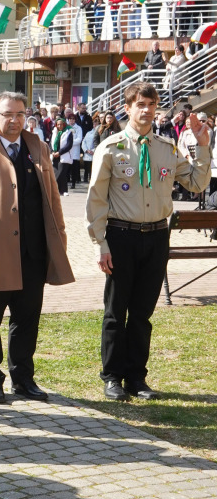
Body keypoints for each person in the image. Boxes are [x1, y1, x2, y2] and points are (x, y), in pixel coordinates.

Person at [86, 82, 210, 401]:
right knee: (116, 311)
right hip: (121, 236)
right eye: (140, 104)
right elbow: (96, 199)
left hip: (155, 236)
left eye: (151, 105)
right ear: (127, 108)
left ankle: (136, 378)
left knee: (142, 313)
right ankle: (112, 376)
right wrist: (100, 243)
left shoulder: (166, 148)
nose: (146, 110)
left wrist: (203, 146)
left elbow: (197, 182)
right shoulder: (111, 147)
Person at [0, 91, 74, 404]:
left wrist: (59, 240)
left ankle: (23, 379)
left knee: (27, 321)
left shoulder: (38, 146)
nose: (15, 120)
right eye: (8, 114)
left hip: (34, 253)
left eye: (20, 114)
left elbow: (52, 199)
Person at [50, 116, 74, 196]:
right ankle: (59, 191)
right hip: (55, 156)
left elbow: (69, 145)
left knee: (61, 173)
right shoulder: (54, 132)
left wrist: (59, 152)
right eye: (58, 125)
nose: (59, 126)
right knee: (56, 174)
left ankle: (64, 190)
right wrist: (52, 151)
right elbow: (51, 144)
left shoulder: (68, 132)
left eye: (61, 124)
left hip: (63, 155)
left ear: (64, 124)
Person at [65, 111, 83, 189]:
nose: (71, 120)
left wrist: (71, 143)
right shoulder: (66, 127)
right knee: (67, 168)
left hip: (75, 150)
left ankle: (73, 183)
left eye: (73, 119)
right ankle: (66, 182)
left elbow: (79, 139)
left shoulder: (78, 128)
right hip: (67, 150)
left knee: (74, 168)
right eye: (70, 119)